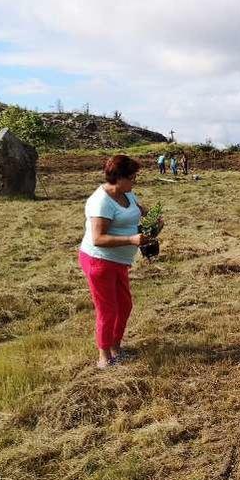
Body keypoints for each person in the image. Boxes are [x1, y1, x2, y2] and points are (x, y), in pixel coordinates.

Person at [78, 155, 152, 369]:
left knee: (125, 305)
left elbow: (139, 209)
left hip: (120, 261)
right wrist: (131, 239)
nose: (134, 181)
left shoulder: (126, 192)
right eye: (132, 177)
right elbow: (98, 239)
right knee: (108, 309)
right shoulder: (100, 202)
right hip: (99, 262)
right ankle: (104, 356)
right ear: (118, 178)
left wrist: (152, 218)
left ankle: (116, 347)